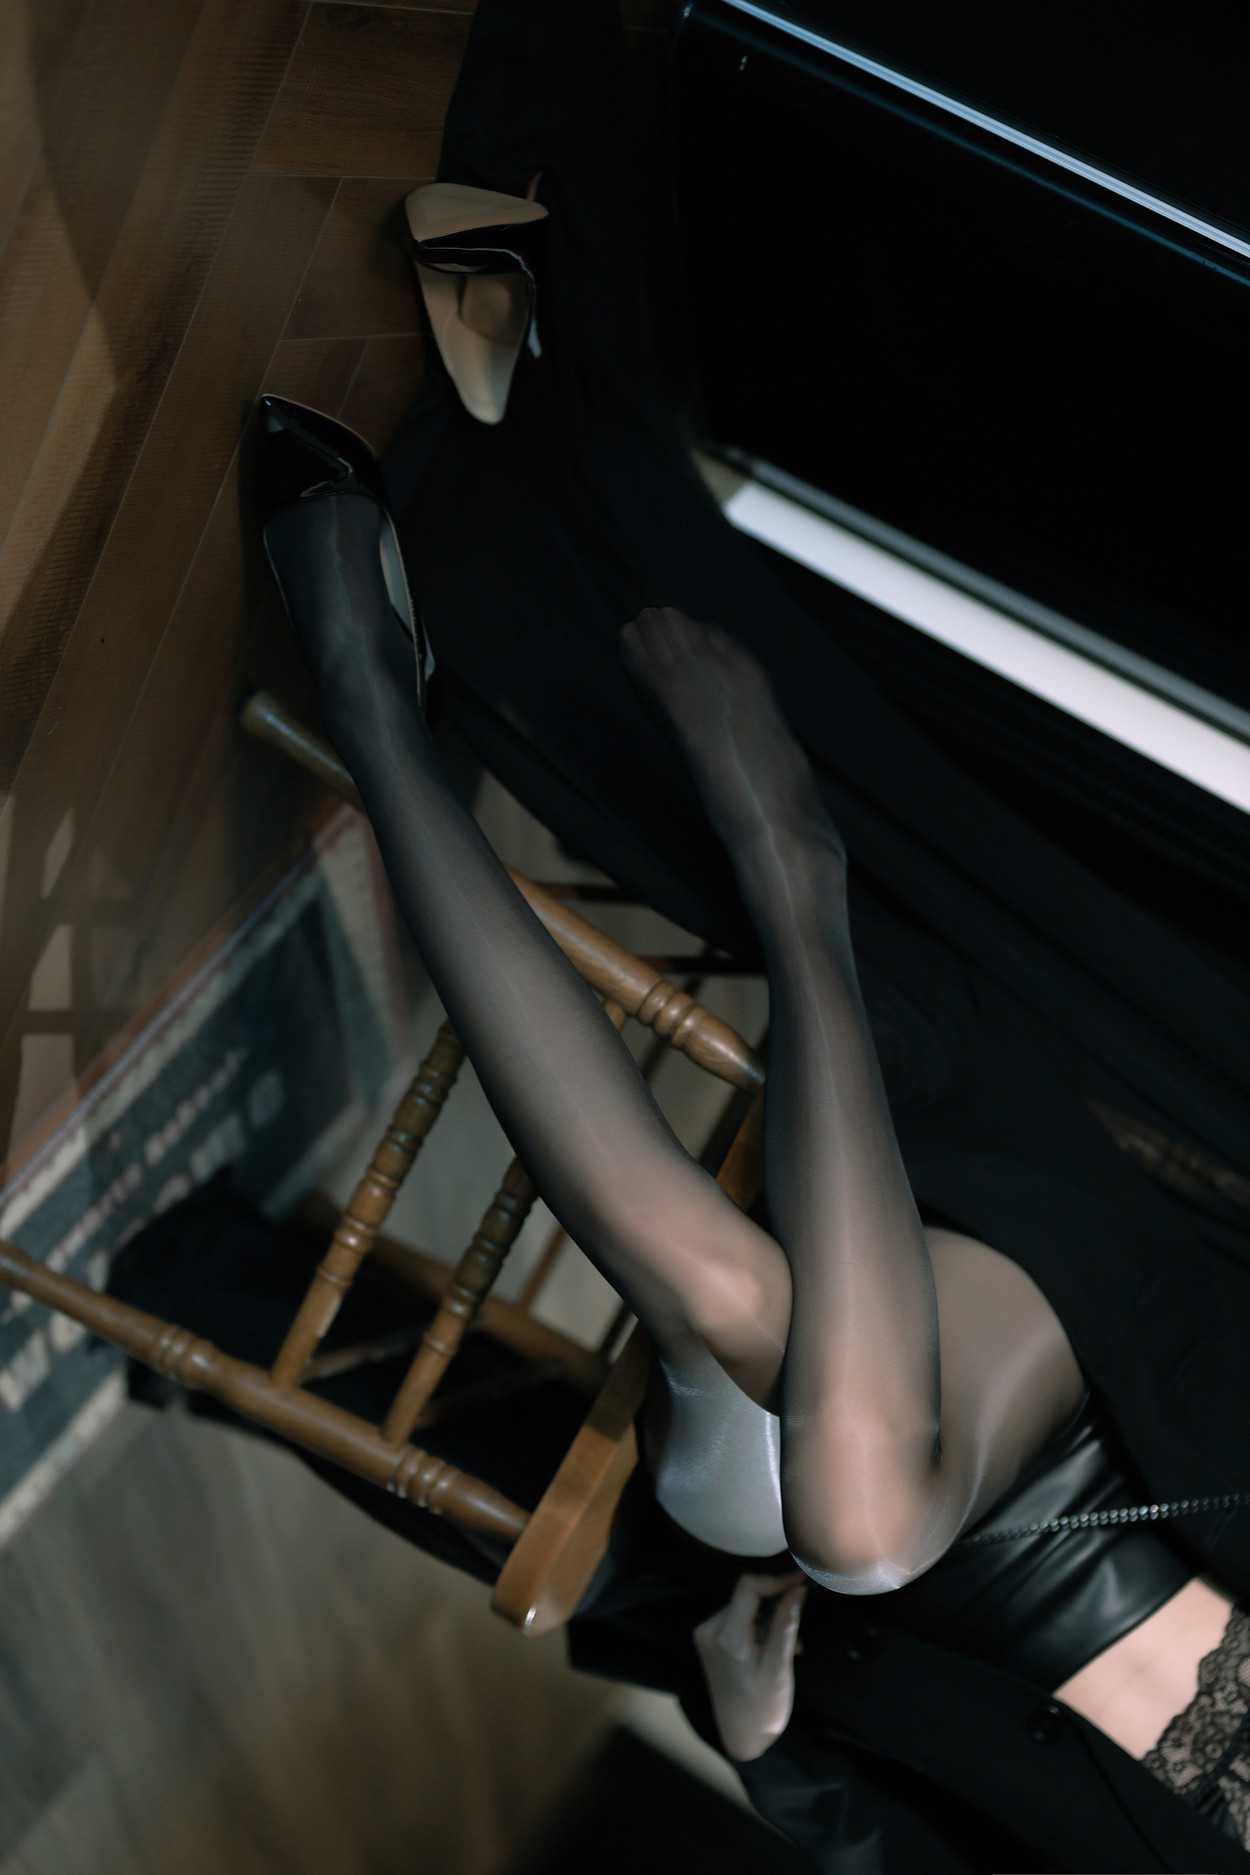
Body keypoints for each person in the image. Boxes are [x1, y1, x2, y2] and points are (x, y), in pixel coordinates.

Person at [243, 1, 1250, 1866]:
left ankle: (773, 876)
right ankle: (372, 681)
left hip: (869, 1566)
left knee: (793, 1414)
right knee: (787, 1387)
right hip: (1100, 1378)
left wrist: (765, 1750)